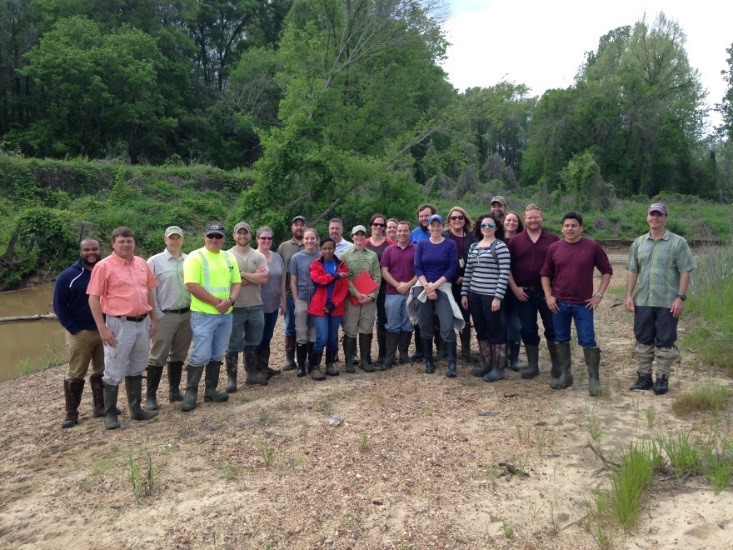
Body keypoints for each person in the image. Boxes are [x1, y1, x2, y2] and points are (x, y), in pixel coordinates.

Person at [87, 227, 159, 430]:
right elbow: (93, 298)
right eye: (121, 241)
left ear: (134, 243)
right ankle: (110, 414)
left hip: (142, 322)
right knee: (114, 368)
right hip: (118, 323)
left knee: (137, 365)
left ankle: (136, 409)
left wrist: (154, 318)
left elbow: (149, 292)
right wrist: (102, 327)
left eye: (129, 241)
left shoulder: (142, 264)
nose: (126, 244)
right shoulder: (104, 266)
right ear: (113, 244)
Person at [625, 202, 696, 395]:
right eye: (652, 214)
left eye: (659, 214)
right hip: (643, 300)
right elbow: (632, 270)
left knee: (665, 341)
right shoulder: (638, 243)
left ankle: (662, 380)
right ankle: (644, 378)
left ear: (665, 217)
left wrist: (680, 298)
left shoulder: (678, 242)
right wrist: (629, 295)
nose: (655, 218)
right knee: (643, 340)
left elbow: (685, 271)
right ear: (647, 217)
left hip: (667, 301)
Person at [540, 212, 613, 395]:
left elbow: (607, 270)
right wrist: (548, 296)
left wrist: (599, 295)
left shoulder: (592, 247)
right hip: (559, 303)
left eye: (574, 225)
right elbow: (545, 274)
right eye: (566, 226)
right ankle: (566, 375)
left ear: (581, 227)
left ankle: (594, 379)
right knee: (561, 338)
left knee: (588, 340)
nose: (570, 229)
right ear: (562, 228)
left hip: (583, 305)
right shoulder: (554, 248)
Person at [181, 222, 241, 412]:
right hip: (204, 314)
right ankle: (191, 393)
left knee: (217, 353)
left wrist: (230, 301)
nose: (214, 239)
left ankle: (211, 390)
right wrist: (218, 303)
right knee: (200, 353)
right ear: (204, 237)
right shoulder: (195, 257)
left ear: (224, 238)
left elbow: (237, 282)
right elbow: (192, 285)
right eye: (210, 236)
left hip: (226, 314)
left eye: (218, 236)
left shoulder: (229, 256)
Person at [53, 238, 105, 428]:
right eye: (87, 250)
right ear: (80, 252)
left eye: (95, 249)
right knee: (75, 373)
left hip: (105, 330)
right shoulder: (68, 276)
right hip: (80, 332)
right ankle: (71, 413)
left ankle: (101, 407)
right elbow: (59, 305)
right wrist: (73, 328)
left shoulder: (106, 270)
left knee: (102, 371)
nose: (91, 253)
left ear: (100, 250)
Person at [506, 204, 560, 380]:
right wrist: (514, 288)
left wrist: (553, 292)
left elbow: (559, 268)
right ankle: (532, 366)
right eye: (529, 217)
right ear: (525, 218)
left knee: (552, 328)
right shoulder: (515, 241)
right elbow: (507, 267)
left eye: (536, 217)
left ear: (542, 217)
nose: (533, 220)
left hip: (547, 293)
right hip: (524, 293)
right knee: (528, 329)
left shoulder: (553, 239)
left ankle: (557, 365)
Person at [409, 214, 464, 376]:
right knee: (425, 325)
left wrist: (435, 285)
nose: (435, 228)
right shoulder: (422, 245)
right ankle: (428, 360)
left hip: (443, 286)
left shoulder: (450, 244)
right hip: (424, 285)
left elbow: (452, 268)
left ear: (442, 227)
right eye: (432, 225)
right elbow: (417, 267)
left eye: (438, 225)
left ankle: (452, 363)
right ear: (428, 227)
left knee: (447, 325)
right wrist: (427, 286)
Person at [145, 226, 192, 411]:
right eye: (171, 238)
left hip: (186, 314)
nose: (175, 241)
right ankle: (150, 397)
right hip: (165, 314)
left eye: (178, 238)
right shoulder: (155, 261)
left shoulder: (189, 260)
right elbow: (150, 290)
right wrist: (156, 315)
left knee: (179, 355)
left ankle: (174, 391)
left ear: (183, 240)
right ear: (165, 240)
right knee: (157, 356)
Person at [461, 213, 511, 382]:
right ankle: (487, 364)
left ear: (496, 228)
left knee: (495, 330)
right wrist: (464, 293)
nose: (487, 228)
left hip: (491, 296)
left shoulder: (500, 247)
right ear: (479, 227)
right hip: (474, 294)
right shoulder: (474, 247)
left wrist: (498, 297)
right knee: (481, 330)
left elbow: (504, 273)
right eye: (484, 225)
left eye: (490, 225)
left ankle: (499, 368)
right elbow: (468, 271)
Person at [225, 221, 269, 391]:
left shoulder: (258, 256)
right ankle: (231, 379)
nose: (242, 236)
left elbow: (264, 279)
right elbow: (227, 280)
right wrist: (252, 277)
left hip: (256, 305)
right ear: (234, 235)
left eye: (245, 233)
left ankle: (251, 375)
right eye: (239, 233)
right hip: (235, 306)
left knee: (253, 341)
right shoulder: (227, 255)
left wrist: (239, 276)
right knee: (233, 343)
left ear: (250, 235)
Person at [308, 237, 350, 379]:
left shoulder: (341, 265)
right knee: (322, 337)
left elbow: (344, 288)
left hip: (335, 307)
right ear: (320, 249)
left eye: (330, 248)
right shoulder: (315, 265)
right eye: (324, 248)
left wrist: (333, 304)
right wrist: (335, 275)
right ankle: (314, 366)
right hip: (319, 306)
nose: (327, 251)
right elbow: (318, 281)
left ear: (334, 249)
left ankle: (330, 365)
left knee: (333, 338)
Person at [341, 225, 381, 373]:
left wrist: (371, 295)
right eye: (356, 234)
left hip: (368, 299)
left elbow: (377, 277)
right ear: (352, 237)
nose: (359, 237)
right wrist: (356, 293)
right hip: (352, 299)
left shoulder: (372, 255)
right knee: (350, 329)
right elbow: (344, 277)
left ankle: (365, 361)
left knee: (366, 328)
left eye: (362, 234)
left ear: (366, 237)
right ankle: (349, 361)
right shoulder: (345, 256)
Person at [380, 221, 417, 369]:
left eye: (405, 231)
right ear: (396, 233)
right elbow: (384, 270)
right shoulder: (389, 250)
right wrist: (397, 285)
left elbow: (420, 270)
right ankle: (390, 357)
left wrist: (408, 285)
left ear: (409, 232)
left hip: (411, 292)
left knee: (408, 324)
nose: (402, 233)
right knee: (393, 324)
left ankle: (403, 354)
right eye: (400, 231)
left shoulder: (416, 249)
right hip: (392, 293)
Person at [444, 206, 475, 362]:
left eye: (460, 217)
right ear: (449, 220)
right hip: (448, 281)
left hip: (468, 282)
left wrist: (466, 278)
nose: (457, 220)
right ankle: (448, 351)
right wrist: (455, 276)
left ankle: (466, 351)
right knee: (446, 316)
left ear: (465, 220)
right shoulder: (444, 236)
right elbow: (440, 260)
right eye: (454, 218)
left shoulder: (472, 237)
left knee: (465, 315)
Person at [289, 228, 321, 377]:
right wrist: (296, 300)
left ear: (316, 240)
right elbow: (293, 281)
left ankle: (312, 363)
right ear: (303, 240)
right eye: (307, 238)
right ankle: (300, 364)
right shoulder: (296, 258)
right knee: (301, 330)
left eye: (312, 238)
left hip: (317, 297)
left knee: (314, 331)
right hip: (301, 297)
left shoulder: (321, 256)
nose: (309, 241)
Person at [277, 215, 306, 372]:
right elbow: (279, 271)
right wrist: (280, 296)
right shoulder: (284, 247)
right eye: (296, 225)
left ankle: (305, 358)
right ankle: (289, 359)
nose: (299, 227)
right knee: (289, 327)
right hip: (288, 293)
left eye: (302, 225)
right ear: (292, 228)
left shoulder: (312, 245)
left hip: (307, 293)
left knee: (306, 325)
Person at [255, 226, 284, 379]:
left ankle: (264, 366)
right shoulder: (253, 256)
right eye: (263, 238)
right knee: (257, 337)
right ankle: (255, 370)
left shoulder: (277, 257)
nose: (266, 241)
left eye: (269, 238)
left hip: (273, 303)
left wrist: (283, 301)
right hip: (257, 304)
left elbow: (282, 280)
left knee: (268, 336)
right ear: (257, 239)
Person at [409, 203, 437, 361]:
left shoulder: (440, 232)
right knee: (420, 317)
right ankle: (421, 350)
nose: (424, 218)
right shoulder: (414, 234)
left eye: (427, 215)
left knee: (438, 317)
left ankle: (441, 350)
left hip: (438, 280)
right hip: (419, 280)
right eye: (421, 216)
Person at [365, 213, 394, 366]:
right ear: (371, 225)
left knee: (383, 320)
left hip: (384, 287)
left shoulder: (389, 244)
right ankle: (365, 356)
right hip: (366, 287)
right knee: (366, 321)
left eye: (381, 225)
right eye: (375, 224)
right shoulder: (364, 243)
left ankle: (383, 354)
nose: (378, 227)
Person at [502, 211, 525, 371]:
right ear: (503, 222)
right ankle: (504, 354)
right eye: (508, 220)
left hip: (518, 287)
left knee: (516, 324)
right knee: (501, 322)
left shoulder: (523, 240)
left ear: (519, 223)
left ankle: (515, 357)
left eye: (514, 220)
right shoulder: (496, 239)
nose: (511, 223)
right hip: (499, 288)